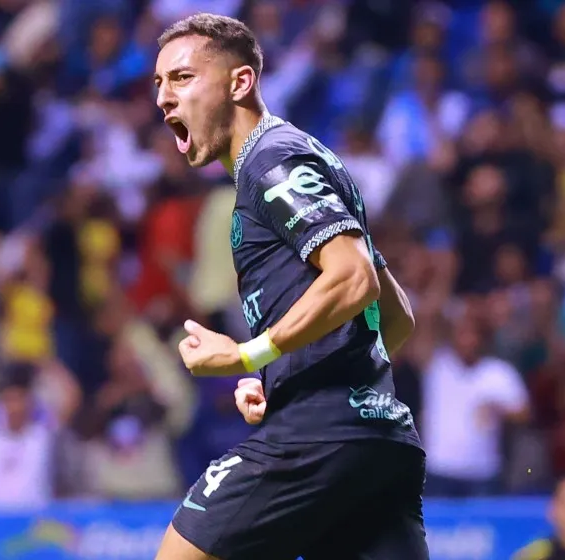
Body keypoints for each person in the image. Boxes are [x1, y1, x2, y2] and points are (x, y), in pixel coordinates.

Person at [152, 13, 426, 560]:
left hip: (314, 436)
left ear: (240, 82)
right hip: (379, 436)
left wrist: (251, 355)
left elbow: (353, 278)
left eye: (182, 78)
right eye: (158, 84)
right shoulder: (312, 159)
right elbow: (395, 314)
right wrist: (283, 378)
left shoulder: (270, 160)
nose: (164, 98)